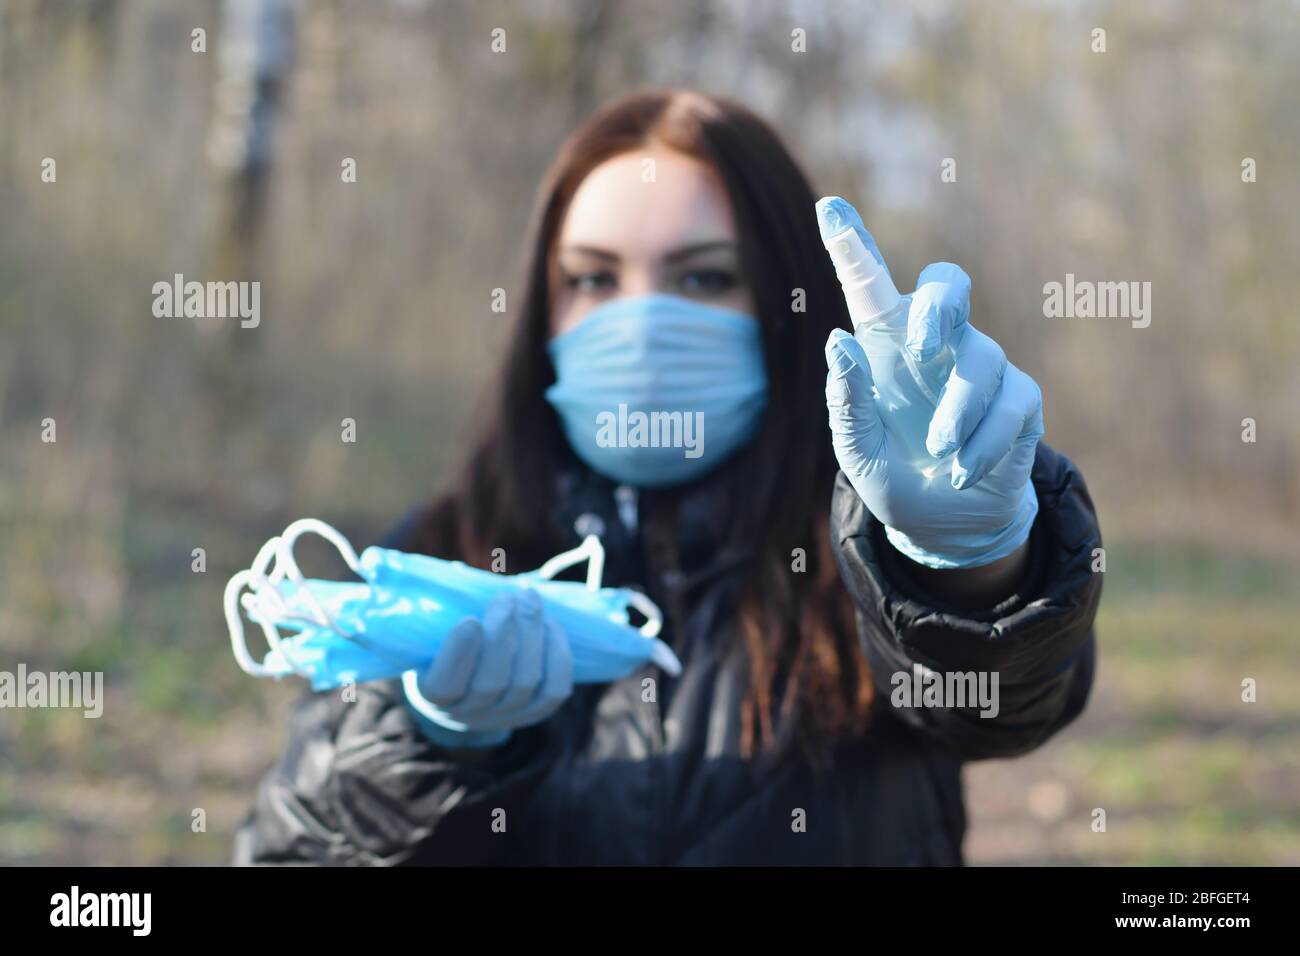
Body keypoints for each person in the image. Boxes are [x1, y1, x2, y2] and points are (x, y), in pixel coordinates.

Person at [233, 89, 1101, 866]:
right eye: (593, 278)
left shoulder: (853, 561)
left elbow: (1001, 706)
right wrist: (424, 744)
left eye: (703, 277)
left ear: (784, 303)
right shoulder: (435, 560)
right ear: (546, 308)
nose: (642, 321)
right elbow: (288, 854)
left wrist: (967, 562)